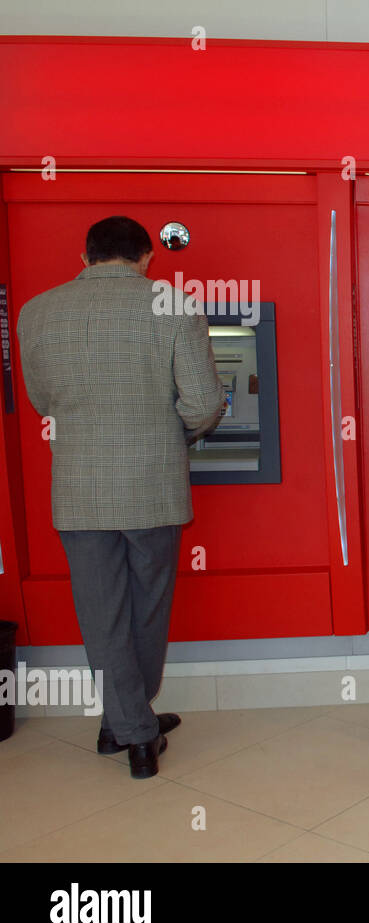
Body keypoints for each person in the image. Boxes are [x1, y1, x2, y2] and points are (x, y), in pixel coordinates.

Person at [17, 216, 224, 777]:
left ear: (84, 259)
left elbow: (41, 400)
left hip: (79, 489)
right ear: (147, 257)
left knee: (101, 613)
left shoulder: (36, 311)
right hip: (153, 484)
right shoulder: (174, 306)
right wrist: (163, 432)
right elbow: (205, 402)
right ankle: (138, 735)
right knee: (149, 606)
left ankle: (122, 720)